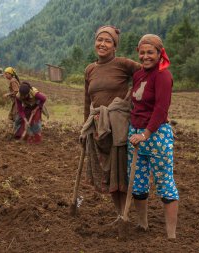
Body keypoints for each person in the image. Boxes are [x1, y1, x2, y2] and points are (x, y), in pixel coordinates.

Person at [79, 25, 141, 221]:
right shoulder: (90, 69)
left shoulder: (123, 64)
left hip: (119, 126)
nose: (102, 44)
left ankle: (126, 214)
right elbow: (87, 101)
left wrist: (134, 97)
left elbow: (146, 76)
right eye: (100, 40)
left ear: (115, 46)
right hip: (98, 128)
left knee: (120, 171)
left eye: (108, 41)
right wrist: (84, 128)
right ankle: (118, 213)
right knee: (107, 174)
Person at [128, 34, 179, 238]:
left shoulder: (163, 76)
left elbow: (160, 109)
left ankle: (171, 236)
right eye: (142, 52)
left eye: (150, 52)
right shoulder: (138, 75)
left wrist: (146, 134)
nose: (146, 56)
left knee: (165, 183)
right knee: (138, 183)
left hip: (156, 135)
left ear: (159, 53)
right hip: (135, 134)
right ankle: (142, 225)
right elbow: (136, 104)